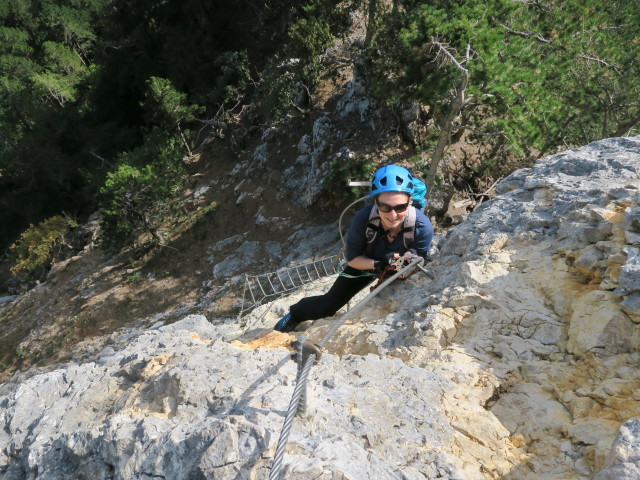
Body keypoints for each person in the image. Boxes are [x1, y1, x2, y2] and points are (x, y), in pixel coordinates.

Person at [274, 164, 434, 333]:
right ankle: (295, 314)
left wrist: (407, 258)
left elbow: (419, 256)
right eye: (385, 208)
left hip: (396, 268)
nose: (393, 215)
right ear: (375, 203)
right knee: (327, 307)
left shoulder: (422, 226)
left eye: (400, 207)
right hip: (365, 263)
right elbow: (353, 260)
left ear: (409, 201)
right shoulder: (364, 219)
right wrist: (379, 264)